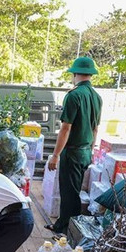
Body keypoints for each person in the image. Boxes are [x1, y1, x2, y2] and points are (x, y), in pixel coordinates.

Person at [45, 56, 103, 235]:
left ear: (75, 73)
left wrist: (55, 155)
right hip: (86, 151)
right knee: (74, 191)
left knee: (69, 194)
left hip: (72, 152)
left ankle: (68, 230)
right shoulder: (97, 97)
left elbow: (65, 128)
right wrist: (92, 150)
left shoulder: (74, 95)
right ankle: (66, 225)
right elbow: (95, 128)